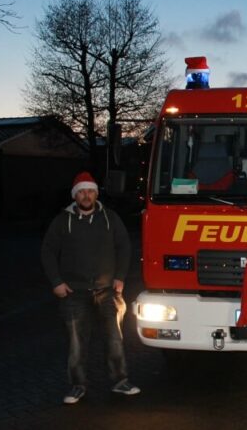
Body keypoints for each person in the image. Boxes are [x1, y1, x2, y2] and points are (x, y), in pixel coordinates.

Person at [41, 171, 140, 404]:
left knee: (114, 338)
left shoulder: (111, 218)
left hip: (108, 290)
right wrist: (56, 282)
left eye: (90, 191)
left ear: (96, 193)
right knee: (76, 342)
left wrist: (120, 277)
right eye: (82, 192)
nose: (86, 195)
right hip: (74, 292)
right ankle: (77, 386)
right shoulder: (62, 221)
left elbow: (124, 247)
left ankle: (120, 381)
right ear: (75, 195)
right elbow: (47, 251)